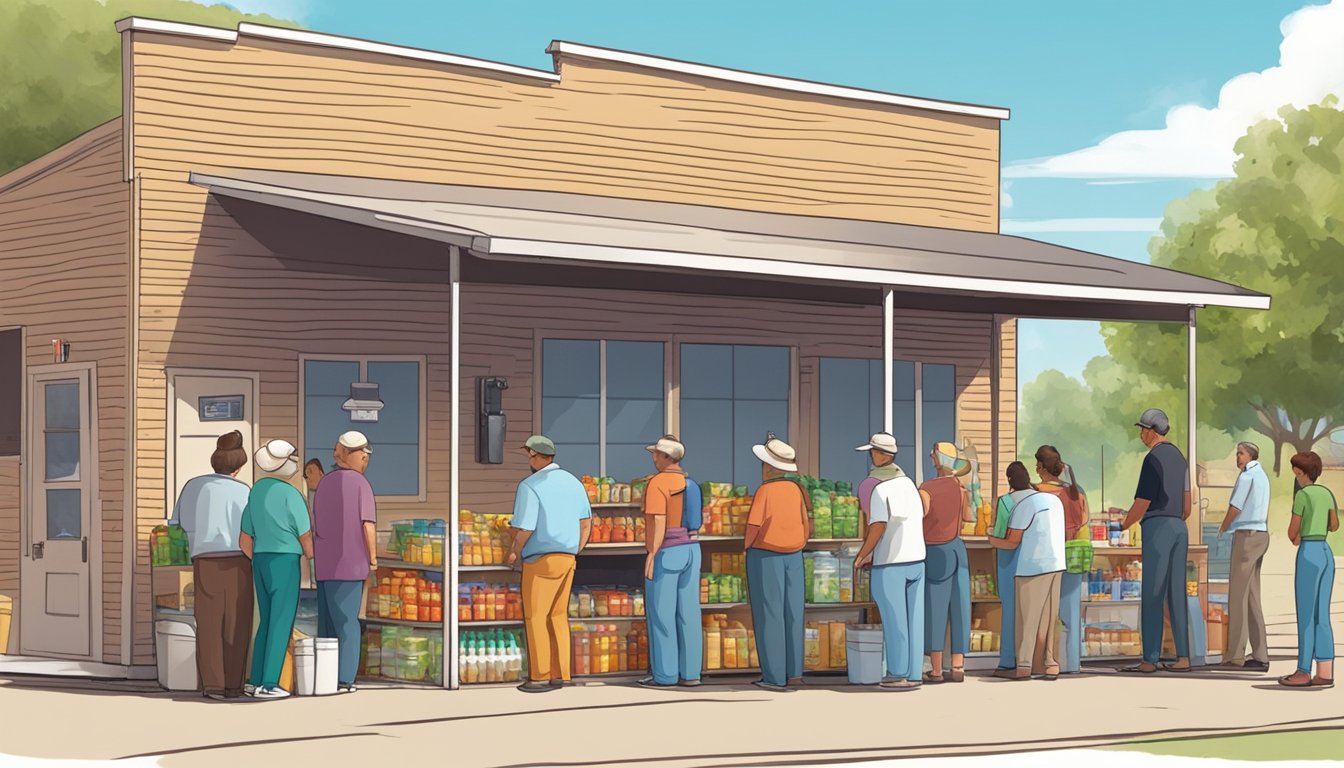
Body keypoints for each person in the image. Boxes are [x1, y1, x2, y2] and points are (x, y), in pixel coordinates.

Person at [169, 430, 253, 701]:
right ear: (238, 467)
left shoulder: (193, 486)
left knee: (208, 622)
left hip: (204, 559)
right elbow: (252, 530)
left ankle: (213, 685)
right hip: (239, 561)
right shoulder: (244, 491)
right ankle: (233, 685)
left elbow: (176, 524)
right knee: (237, 623)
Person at [508, 435, 593, 693]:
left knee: (536, 618)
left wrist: (513, 552)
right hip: (567, 559)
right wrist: (575, 550)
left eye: (529, 455)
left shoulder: (530, 486)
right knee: (558, 617)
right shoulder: (574, 483)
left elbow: (524, 527)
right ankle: (562, 674)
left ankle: (540, 676)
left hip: (540, 559)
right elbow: (586, 522)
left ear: (535, 456)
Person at [1113, 408, 1193, 674]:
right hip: (1179, 527)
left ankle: (1149, 659)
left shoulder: (1153, 459)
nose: (1140, 434)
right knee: (1176, 593)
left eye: (1142, 429)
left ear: (1151, 431)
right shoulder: (1180, 459)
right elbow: (1187, 504)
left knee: (1153, 593)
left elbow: (1142, 502)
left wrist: (1123, 524)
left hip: (1157, 527)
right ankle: (1183, 657)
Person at [240, 439, 313, 700]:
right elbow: (305, 535)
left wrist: (258, 558)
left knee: (266, 621)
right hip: (285, 561)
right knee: (281, 622)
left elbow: (244, 537)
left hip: (260, 560)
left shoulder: (256, 493)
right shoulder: (292, 495)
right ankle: (269, 683)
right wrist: (311, 558)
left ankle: (254, 679)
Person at [853, 432, 926, 691]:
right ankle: (915, 672)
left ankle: (897, 673)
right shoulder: (910, 486)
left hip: (891, 561)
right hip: (917, 559)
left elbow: (878, 526)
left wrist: (862, 555)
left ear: (882, 455)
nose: (871, 456)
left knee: (895, 620)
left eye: (873, 452)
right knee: (914, 619)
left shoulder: (879, 489)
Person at [744, 432, 812, 692]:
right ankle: (795, 673)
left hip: (766, 555)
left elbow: (753, 525)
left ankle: (773, 676)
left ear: (771, 467)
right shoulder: (796, 490)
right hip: (794, 556)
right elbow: (806, 525)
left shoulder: (765, 491)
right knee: (794, 614)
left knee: (769, 615)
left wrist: (747, 547)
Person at [312, 430, 377, 694]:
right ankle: (345, 678)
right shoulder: (361, 484)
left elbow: (315, 523)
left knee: (327, 623)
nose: (366, 460)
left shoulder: (325, 483)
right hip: (350, 564)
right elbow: (367, 525)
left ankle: (324, 676)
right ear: (353, 455)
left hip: (325, 564)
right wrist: (372, 558)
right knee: (348, 623)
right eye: (364, 455)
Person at [638, 435, 703, 688]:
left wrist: (652, 554)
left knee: (662, 614)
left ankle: (665, 675)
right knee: (688, 614)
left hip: (667, 549)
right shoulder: (692, 484)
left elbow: (659, 521)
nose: (654, 458)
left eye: (656, 454)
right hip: (692, 549)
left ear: (666, 458)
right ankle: (691, 674)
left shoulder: (658, 483)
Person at [989, 471, 1066, 681]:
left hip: (1032, 566)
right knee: (1049, 618)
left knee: (1027, 619)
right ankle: (1049, 664)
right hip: (1057, 564)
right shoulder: (1054, 500)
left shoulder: (1024, 505)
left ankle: (1023, 665)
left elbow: (1012, 540)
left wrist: (992, 540)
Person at [1279, 451, 1338, 688]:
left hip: (1309, 553)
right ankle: (1325, 670)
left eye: (1297, 473)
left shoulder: (1303, 495)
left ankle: (1303, 671)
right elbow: (1334, 525)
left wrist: (1300, 533)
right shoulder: (1327, 493)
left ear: (1303, 474)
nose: (1296, 477)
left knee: (1305, 615)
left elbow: (1292, 532)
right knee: (1322, 615)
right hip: (1326, 552)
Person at [919, 441, 974, 684]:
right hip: (957, 548)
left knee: (935, 608)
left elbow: (921, 515)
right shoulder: (960, 486)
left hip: (934, 549)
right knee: (960, 606)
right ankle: (959, 666)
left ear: (936, 459)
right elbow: (968, 517)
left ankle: (937, 669)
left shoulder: (926, 488)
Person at [1034, 445, 1088, 675]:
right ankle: (1072, 663)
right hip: (1073, 555)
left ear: (1040, 467)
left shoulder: (1035, 492)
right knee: (1071, 612)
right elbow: (1084, 520)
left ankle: (1044, 661)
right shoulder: (1077, 491)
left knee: (1043, 612)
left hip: (1046, 557)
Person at [1218, 441, 1271, 672]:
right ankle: (1260, 655)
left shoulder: (1247, 476)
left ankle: (1235, 655)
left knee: (1237, 596)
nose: (1237, 457)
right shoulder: (1263, 476)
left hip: (1246, 536)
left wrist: (1223, 527)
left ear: (1249, 455)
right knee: (1251, 596)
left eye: (1240, 453)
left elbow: (1235, 507)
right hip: (1261, 534)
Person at [991, 462, 1038, 673]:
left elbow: (1001, 533)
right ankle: (1031, 659)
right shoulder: (1039, 498)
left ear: (1009, 480)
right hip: (1035, 559)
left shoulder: (1006, 501)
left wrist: (989, 535)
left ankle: (1008, 659)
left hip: (1010, 558)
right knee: (1031, 611)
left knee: (1010, 609)